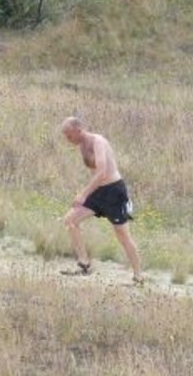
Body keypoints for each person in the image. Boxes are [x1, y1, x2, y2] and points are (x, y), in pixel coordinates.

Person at [60, 117, 144, 285]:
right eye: (66, 136)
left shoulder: (98, 141)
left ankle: (139, 276)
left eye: (69, 136)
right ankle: (84, 264)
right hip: (99, 191)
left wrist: (83, 194)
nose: (68, 140)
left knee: (123, 235)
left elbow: (102, 172)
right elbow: (95, 176)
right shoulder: (81, 145)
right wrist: (86, 194)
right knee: (70, 220)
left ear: (79, 130)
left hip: (114, 191)